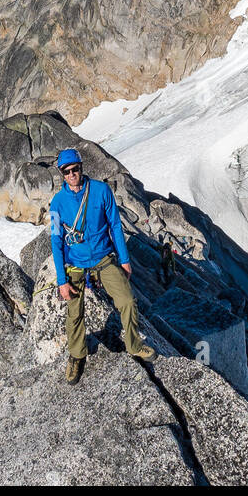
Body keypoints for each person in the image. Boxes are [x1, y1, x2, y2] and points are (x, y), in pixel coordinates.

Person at [50, 148, 156, 384]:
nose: (71, 174)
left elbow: (116, 226)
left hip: (102, 258)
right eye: (66, 172)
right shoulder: (57, 203)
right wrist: (61, 280)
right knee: (74, 312)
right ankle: (77, 355)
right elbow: (56, 240)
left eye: (74, 169)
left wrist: (125, 260)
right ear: (61, 174)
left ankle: (134, 344)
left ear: (81, 167)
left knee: (127, 301)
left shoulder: (100, 190)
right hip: (75, 263)